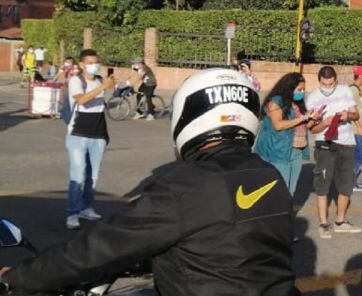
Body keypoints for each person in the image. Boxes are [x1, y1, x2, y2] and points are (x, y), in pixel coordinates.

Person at [0, 67, 296, 296]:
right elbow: (226, 245)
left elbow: (100, 247)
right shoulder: (269, 175)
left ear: (188, 115)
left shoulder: (185, 185)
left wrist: (14, 280)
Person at [306, 65, 362, 238]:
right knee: (322, 185)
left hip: (346, 144)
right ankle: (323, 223)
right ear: (319, 82)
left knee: (345, 185)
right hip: (325, 145)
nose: (328, 88)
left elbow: (356, 115)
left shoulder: (345, 91)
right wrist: (325, 123)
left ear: (336, 81)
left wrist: (348, 116)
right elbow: (312, 129)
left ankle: (340, 221)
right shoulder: (313, 97)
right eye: (324, 84)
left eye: (331, 84)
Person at [62, 49, 116, 230]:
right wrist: (103, 87)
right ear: (83, 64)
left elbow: (112, 93)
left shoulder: (101, 80)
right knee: (78, 175)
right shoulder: (76, 81)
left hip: (98, 134)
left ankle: (86, 207)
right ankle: (72, 213)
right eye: (91, 62)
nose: (95, 65)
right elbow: (83, 100)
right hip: (78, 134)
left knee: (93, 176)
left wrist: (127, 81)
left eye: (97, 62)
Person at [254, 72, 318, 196]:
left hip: (297, 152)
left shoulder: (297, 103)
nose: (302, 92)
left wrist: (313, 119)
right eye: (299, 89)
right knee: (280, 190)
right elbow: (278, 125)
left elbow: (303, 128)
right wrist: (303, 118)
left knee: (291, 190)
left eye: (304, 89)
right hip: (280, 151)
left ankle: (286, 214)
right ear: (289, 88)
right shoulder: (276, 102)